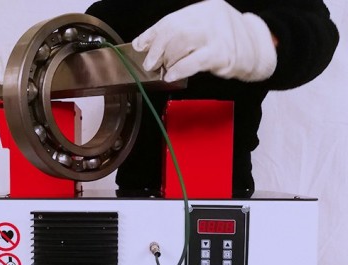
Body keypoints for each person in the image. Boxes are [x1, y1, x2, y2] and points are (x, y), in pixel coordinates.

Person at [86, 0, 339, 197]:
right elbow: (95, 28)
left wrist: (254, 39)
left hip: (226, 190)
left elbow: (318, 31)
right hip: (135, 191)